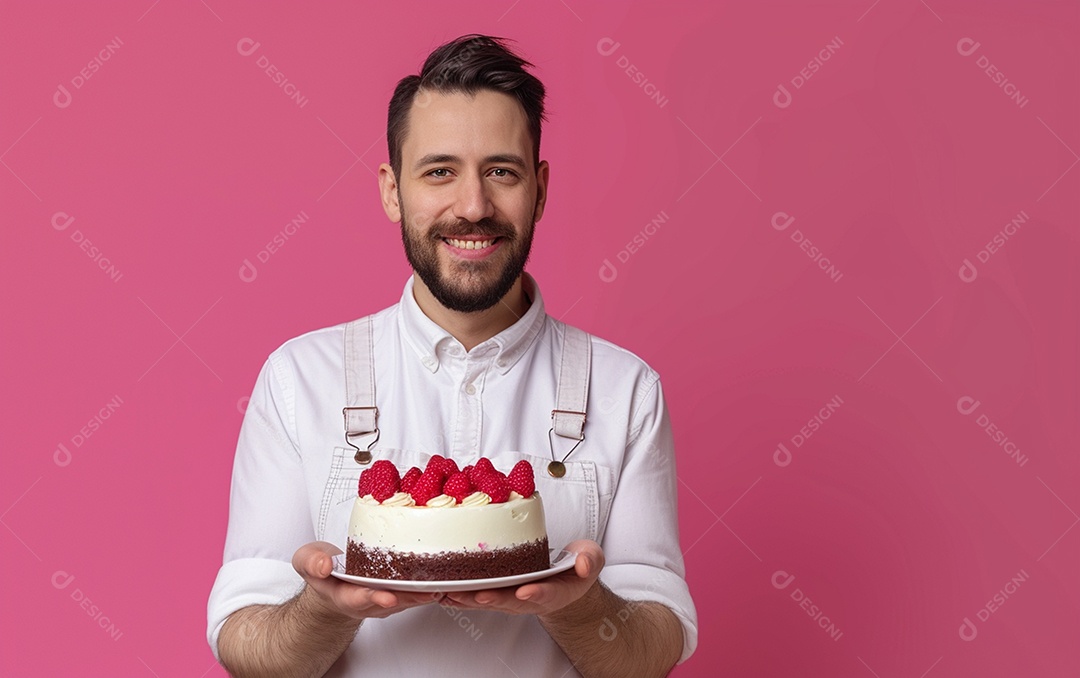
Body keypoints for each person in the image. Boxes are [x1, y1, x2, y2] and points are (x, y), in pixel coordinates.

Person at [207, 34, 697, 677]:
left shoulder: (624, 389)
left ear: (541, 190)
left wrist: (575, 606)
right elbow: (247, 646)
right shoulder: (299, 379)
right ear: (392, 190)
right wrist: (327, 609)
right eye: (440, 171)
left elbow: (651, 651)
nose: (473, 207)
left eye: (502, 171)